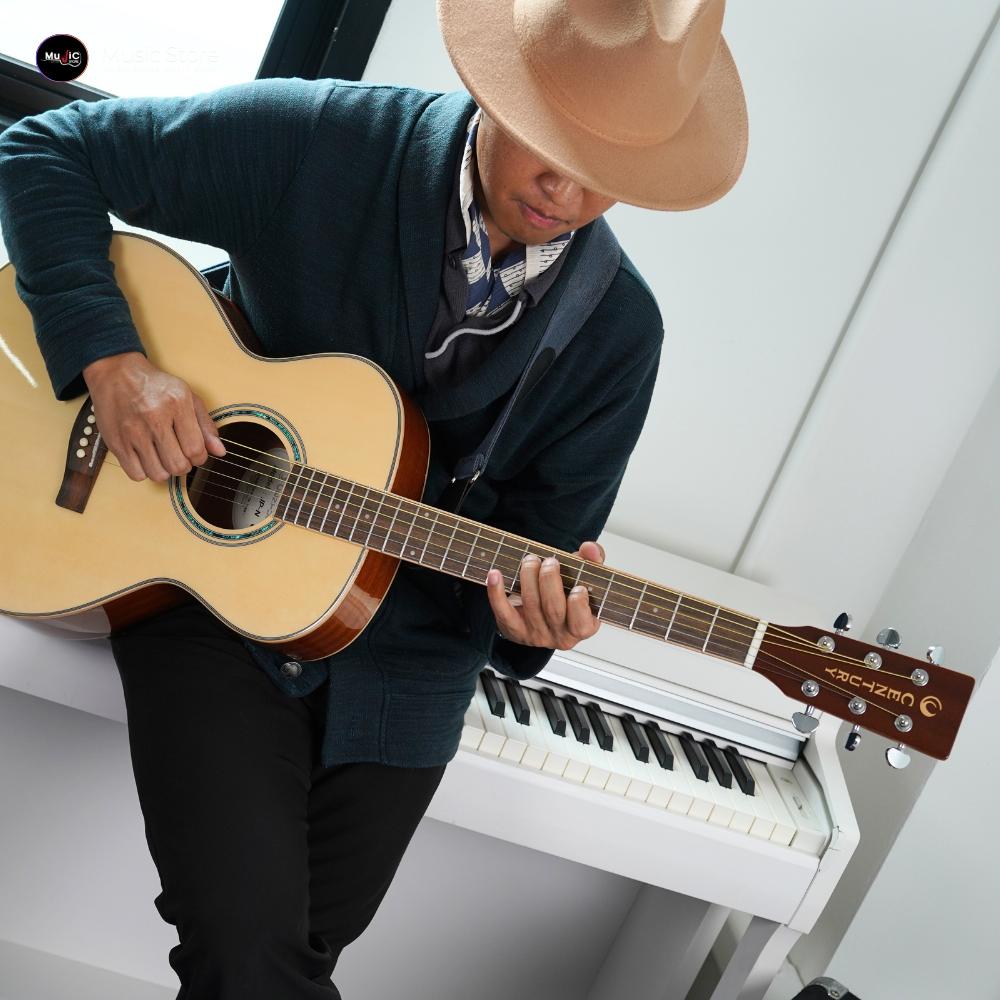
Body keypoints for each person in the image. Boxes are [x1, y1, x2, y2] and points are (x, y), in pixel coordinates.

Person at [0, 0, 748, 996]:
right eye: (553, 144)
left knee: (273, 966)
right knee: (251, 955)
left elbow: (541, 546)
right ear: (502, 90)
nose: (566, 190)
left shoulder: (619, 335)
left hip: (406, 666)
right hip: (206, 590)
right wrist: (112, 361)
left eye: (608, 169)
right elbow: (45, 151)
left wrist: (534, 622)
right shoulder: (323, 141)